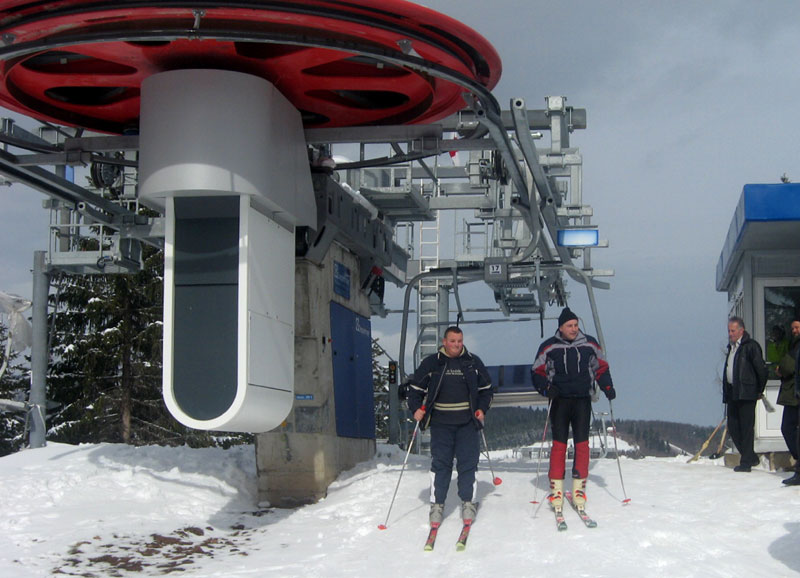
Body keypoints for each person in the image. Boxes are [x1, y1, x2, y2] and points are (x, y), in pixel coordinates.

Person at [531, 307, 616, 513]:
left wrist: (607, 386)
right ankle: (557, 489)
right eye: (569, 326)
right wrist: (545, 388)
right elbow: (537, 371)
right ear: (560, 327)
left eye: (576, 325)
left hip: (581, 399)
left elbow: (601, 367)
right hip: (559, 400)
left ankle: (579, 488)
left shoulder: (589, 343)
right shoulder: (549, 347)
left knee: (582, 444)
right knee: (559, 445)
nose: (574, 329)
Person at [406, 326, 493, 527]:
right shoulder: (432, 363)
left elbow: (487, 390)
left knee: (468, 464)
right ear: (444, 342)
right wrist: (415, 409)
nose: (456, 345)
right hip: (441, 423)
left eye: (459, 341)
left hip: (467, 423)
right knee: (441, 464)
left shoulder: (472, 362)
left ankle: (468, 503)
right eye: (452, 341)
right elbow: (415, 389)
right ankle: (437, 505)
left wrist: (481, 409)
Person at [722, 317, 768, 472]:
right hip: (733, 393)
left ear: (741, 330)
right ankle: (750, 456)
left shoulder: (751, 346)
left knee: (746, 428)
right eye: (729, 330)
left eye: (733, 331)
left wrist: (758, 390)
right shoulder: (732, 347)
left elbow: (761, 370)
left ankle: (746, 462)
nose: (730, 334)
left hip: (747, 393)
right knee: (734, 428)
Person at [776, 320, 800, 483]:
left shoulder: (796, 347)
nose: (794, 331)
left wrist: (780, 369)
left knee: (788, 427)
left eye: (797, 327)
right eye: (792, 328)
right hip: (794, 393)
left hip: (794, 395)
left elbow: (788, 367)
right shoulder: (793, 345)